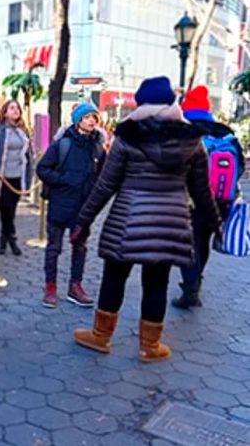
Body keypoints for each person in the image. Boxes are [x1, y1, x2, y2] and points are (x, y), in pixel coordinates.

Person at [71, 76, 221, 363]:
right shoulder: (192, 139)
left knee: (114, 276)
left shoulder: (128, 135)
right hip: (170, 222)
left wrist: (83, 220)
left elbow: (106, 184)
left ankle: (101, 337)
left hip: (128, 219)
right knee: (157, 281)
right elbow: (202, 191)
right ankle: (149, 347)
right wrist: (216, 224)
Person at [173, 85, 245, 309]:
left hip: (191, 201)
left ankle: (190, 290)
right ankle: (195, 284)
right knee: (202, 243)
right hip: (220, 201)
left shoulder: (185, 132)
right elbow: (240, 166)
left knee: (190, 244)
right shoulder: (226, 134)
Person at [36, 102, 105, 308]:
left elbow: (104, 174)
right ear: (78, 121)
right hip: (60, 204)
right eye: (87, 117)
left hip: (83, 209)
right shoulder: (62, 145)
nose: (91, 121)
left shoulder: (98, 147)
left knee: (80, 248)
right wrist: (64, 179)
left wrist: (95, 194)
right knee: (54, 248)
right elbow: (43, 169)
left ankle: (75, 287)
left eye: (94, 117)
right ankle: (50, 288)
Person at [0, 99, 34, 257]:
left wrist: (29, 175)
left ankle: (6, 239)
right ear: (5, 112)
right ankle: (10, 239)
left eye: (17, 108)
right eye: (12, 108)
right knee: (4, 208)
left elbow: (28, 154)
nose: (16, 110)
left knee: (11, 209)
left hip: (17, 176)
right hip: (1, 177)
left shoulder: (23, 131)